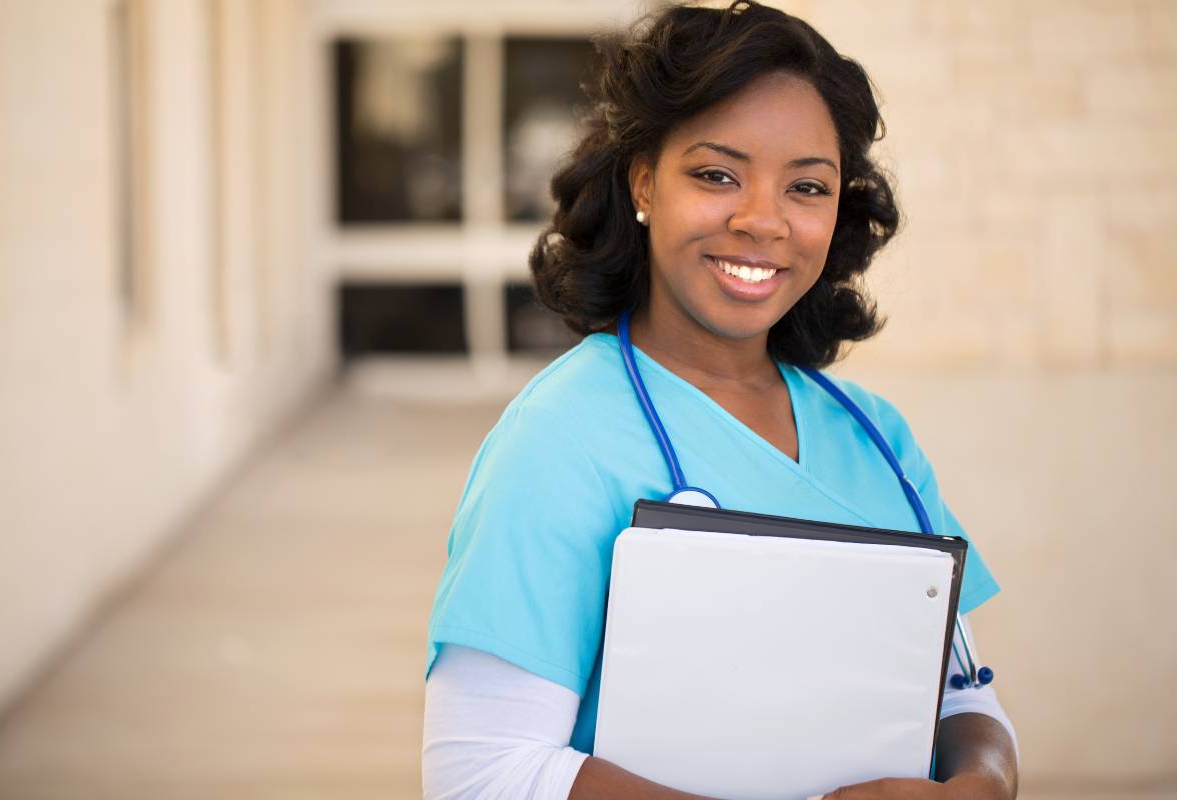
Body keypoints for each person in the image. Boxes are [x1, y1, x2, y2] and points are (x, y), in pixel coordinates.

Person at [421, 2, 1019, 797]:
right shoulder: (561, 434)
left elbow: (961, 693)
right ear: (644, 183)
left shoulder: (877, 439)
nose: (761, 220)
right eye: (716, 175)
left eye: (806, 186)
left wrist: (982, 784)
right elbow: (481, 771)